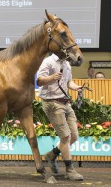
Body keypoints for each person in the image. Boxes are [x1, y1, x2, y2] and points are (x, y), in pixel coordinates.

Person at [36, 53, 83, 181]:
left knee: (74, 136)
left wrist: (76, 87)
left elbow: (69, 82)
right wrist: (52, 77)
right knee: (65, 137)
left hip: (65, 103)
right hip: (52, 103)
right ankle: (70, 170)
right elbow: (39, 81)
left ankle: (53, 154)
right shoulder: (48, 61)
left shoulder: (67, 63)